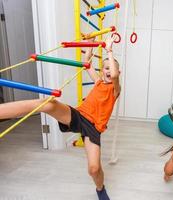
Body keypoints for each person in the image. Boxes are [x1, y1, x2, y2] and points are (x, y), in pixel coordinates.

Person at [0, 35, 121, 200]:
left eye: (112, 67)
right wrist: (91, 44)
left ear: (118, 71)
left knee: (93, 169)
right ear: (102, 71)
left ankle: (100, 188)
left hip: (94, 128)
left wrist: (109, 49)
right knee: (49, 104)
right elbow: (87, 63)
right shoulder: (98, 82)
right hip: (79, 116)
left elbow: (114, 76)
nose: (108, 71)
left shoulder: (115, 90)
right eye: (106, 68)